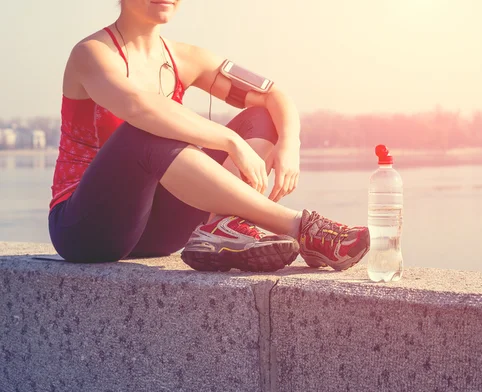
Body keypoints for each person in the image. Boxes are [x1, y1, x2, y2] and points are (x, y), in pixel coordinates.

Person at [48, 0, 369, 273]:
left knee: (262, 115)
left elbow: (273, 95)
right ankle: (299, 226)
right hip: (86, 227)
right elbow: (138, 107)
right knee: (147, 131)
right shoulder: (91, 53)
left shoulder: (186, 58)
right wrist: (231, 142)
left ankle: (222, 226)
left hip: (160, 228)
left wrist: (290, 143)